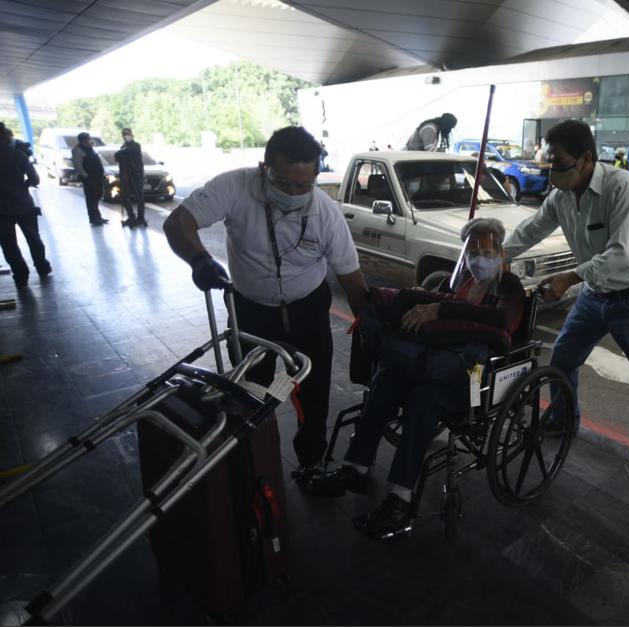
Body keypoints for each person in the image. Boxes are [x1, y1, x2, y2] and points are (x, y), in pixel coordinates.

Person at [503, 119, 629, 503]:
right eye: (550, 159)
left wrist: (569, 277)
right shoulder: (561, 196)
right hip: (595, 297)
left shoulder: (620, 187)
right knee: (562, 358)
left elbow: (621, 252)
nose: (552, 168)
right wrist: (499, 256)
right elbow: (532, 228)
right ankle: (564, 419)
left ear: (586, 159)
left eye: (559, 160)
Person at [163, 126, 369, 473]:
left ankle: (311, 461)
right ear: (264, 169)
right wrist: (200, 260)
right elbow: (178, 223)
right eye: (283, 183)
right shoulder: (234, 186)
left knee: (313, 391)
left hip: (307, 308)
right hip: (250, 309)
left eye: (303, 185)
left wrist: (371, 329)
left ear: (316, 177)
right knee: (247, 393)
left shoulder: (326, 214)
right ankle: (256, 466)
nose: (292, 192)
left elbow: (352, 280)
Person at [308, 218, 525, 541]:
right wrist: (430, 302)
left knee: (425, 399)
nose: (480, 257)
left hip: (475, 379)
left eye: (488, 250)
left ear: (501, 252)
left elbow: (503, 319)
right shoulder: (460, 281)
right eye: (474, 250)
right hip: (435, 364)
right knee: (388, 378)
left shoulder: (508, 286)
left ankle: (402, 495)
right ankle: (357, 468)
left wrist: (443, 309)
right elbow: (428, 305)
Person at [0, 124, 52, 287]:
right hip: (23, 204)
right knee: (33, 238)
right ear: (7, 137)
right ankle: (42, 267)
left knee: (9, 244)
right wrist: (24, 184)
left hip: (1, 209)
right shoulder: (19, 155)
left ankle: (20, 273)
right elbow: (35, 179)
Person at [71, 132, 108, 226]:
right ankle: (94, 218)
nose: (90, 140)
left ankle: (98, 216)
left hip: (97, 177)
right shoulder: (78, 150)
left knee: (98, 195)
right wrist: (85, 176)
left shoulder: (90, 148)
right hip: (89, 178)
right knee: (91, 198)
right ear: (83, 140)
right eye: (89, 138)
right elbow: (77, 165)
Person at [115, 127, 147, 228]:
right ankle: (131, 216)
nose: (126, 135)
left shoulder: (136, 145)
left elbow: (121, 154)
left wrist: (119, 154)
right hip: (125, 176)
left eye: (128, 133)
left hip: (136, 176)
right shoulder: (123, 147)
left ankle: (141, 217)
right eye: (124, 134)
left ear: (132, 134)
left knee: (139, 197)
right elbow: (119, 158)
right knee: (124, 197)